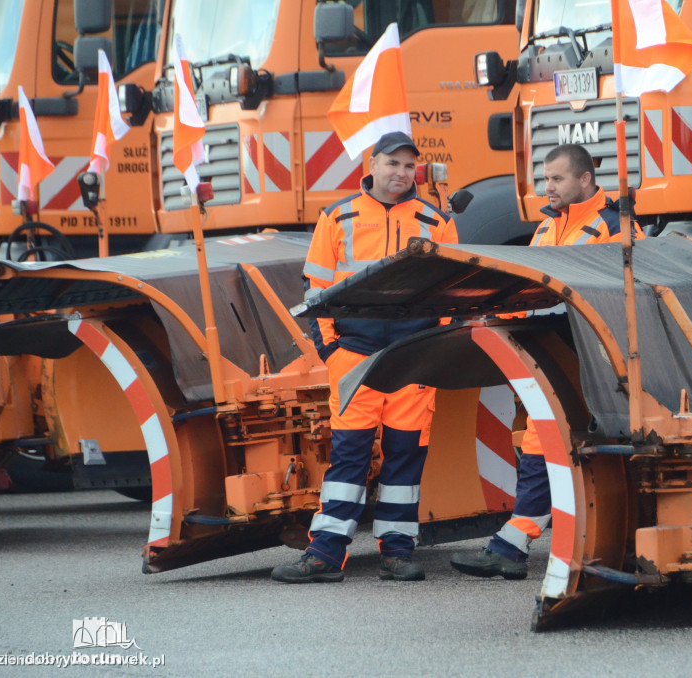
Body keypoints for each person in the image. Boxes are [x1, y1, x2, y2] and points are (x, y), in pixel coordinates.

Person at [450, 143, 644, 580]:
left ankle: (513, 545)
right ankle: (517, 544)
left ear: (585, 179)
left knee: (545, 441)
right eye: (546, 178)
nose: (548, 187)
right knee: (545, 441)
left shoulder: (616, 225)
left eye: (557, 179)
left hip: (592, 356)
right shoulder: (544, 230)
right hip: (553, 353)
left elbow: (637, 290)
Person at [272, 131, 458, 583]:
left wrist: (434, 350)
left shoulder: (436, 221)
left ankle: (396, 552)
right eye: (392, 164)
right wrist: (331, 350)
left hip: (412, 358)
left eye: (409, 166)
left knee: (404, 460)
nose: (401, 173)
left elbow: (453, 295)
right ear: (372, 165)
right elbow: (316, 291)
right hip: (353, 356)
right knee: (349, 457)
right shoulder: (336, 218)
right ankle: (325, 554)